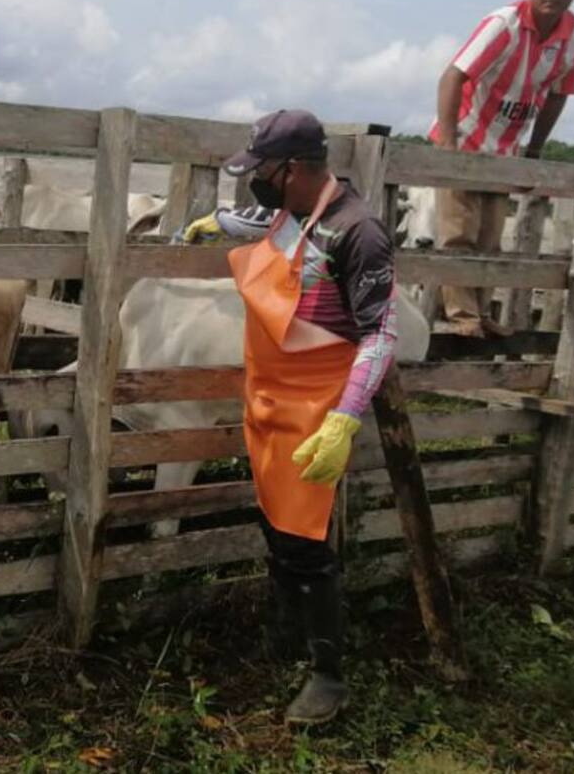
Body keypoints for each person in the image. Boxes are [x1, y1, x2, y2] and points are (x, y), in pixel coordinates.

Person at [178, 109, 398, 724]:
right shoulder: (292, 211)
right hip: (268, 398)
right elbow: (261, 224)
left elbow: (381, 333)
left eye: (262, 172)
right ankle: (283, 636)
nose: (256, 182)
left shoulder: (358, 232)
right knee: (275, 525)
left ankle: (329, 676)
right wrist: (215, 222)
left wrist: (345, 420)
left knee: (307, 542)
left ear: (295, 169)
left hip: (317, 409)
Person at [430, 0, 574, 338]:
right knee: (458, 233)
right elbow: (453, 75)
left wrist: (534, 150)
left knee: (489, 238)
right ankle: (462, 317)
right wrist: (449, 146)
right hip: (467, 136)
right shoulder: (505, 23)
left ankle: (481, 313)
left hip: (505, 147)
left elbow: (558, 94)